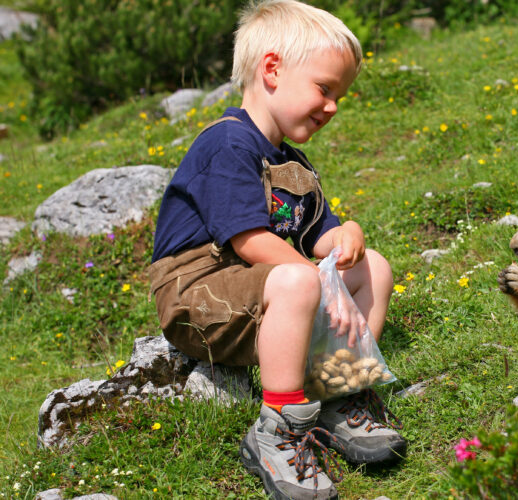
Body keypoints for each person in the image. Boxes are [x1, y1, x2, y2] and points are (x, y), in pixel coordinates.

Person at [148, 1, 405, 498]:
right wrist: (320, 287)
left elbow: (316, 236)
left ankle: (339, 393)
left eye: (340, 95)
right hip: (196, 294)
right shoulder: (227, 143)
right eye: (324, 89)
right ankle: (278, 431)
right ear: (271, 70)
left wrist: (347, 233)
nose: (333, 106)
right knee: (298, 277)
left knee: (371, 267)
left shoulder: (292, 163)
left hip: (258, 285)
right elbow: (249, 240)